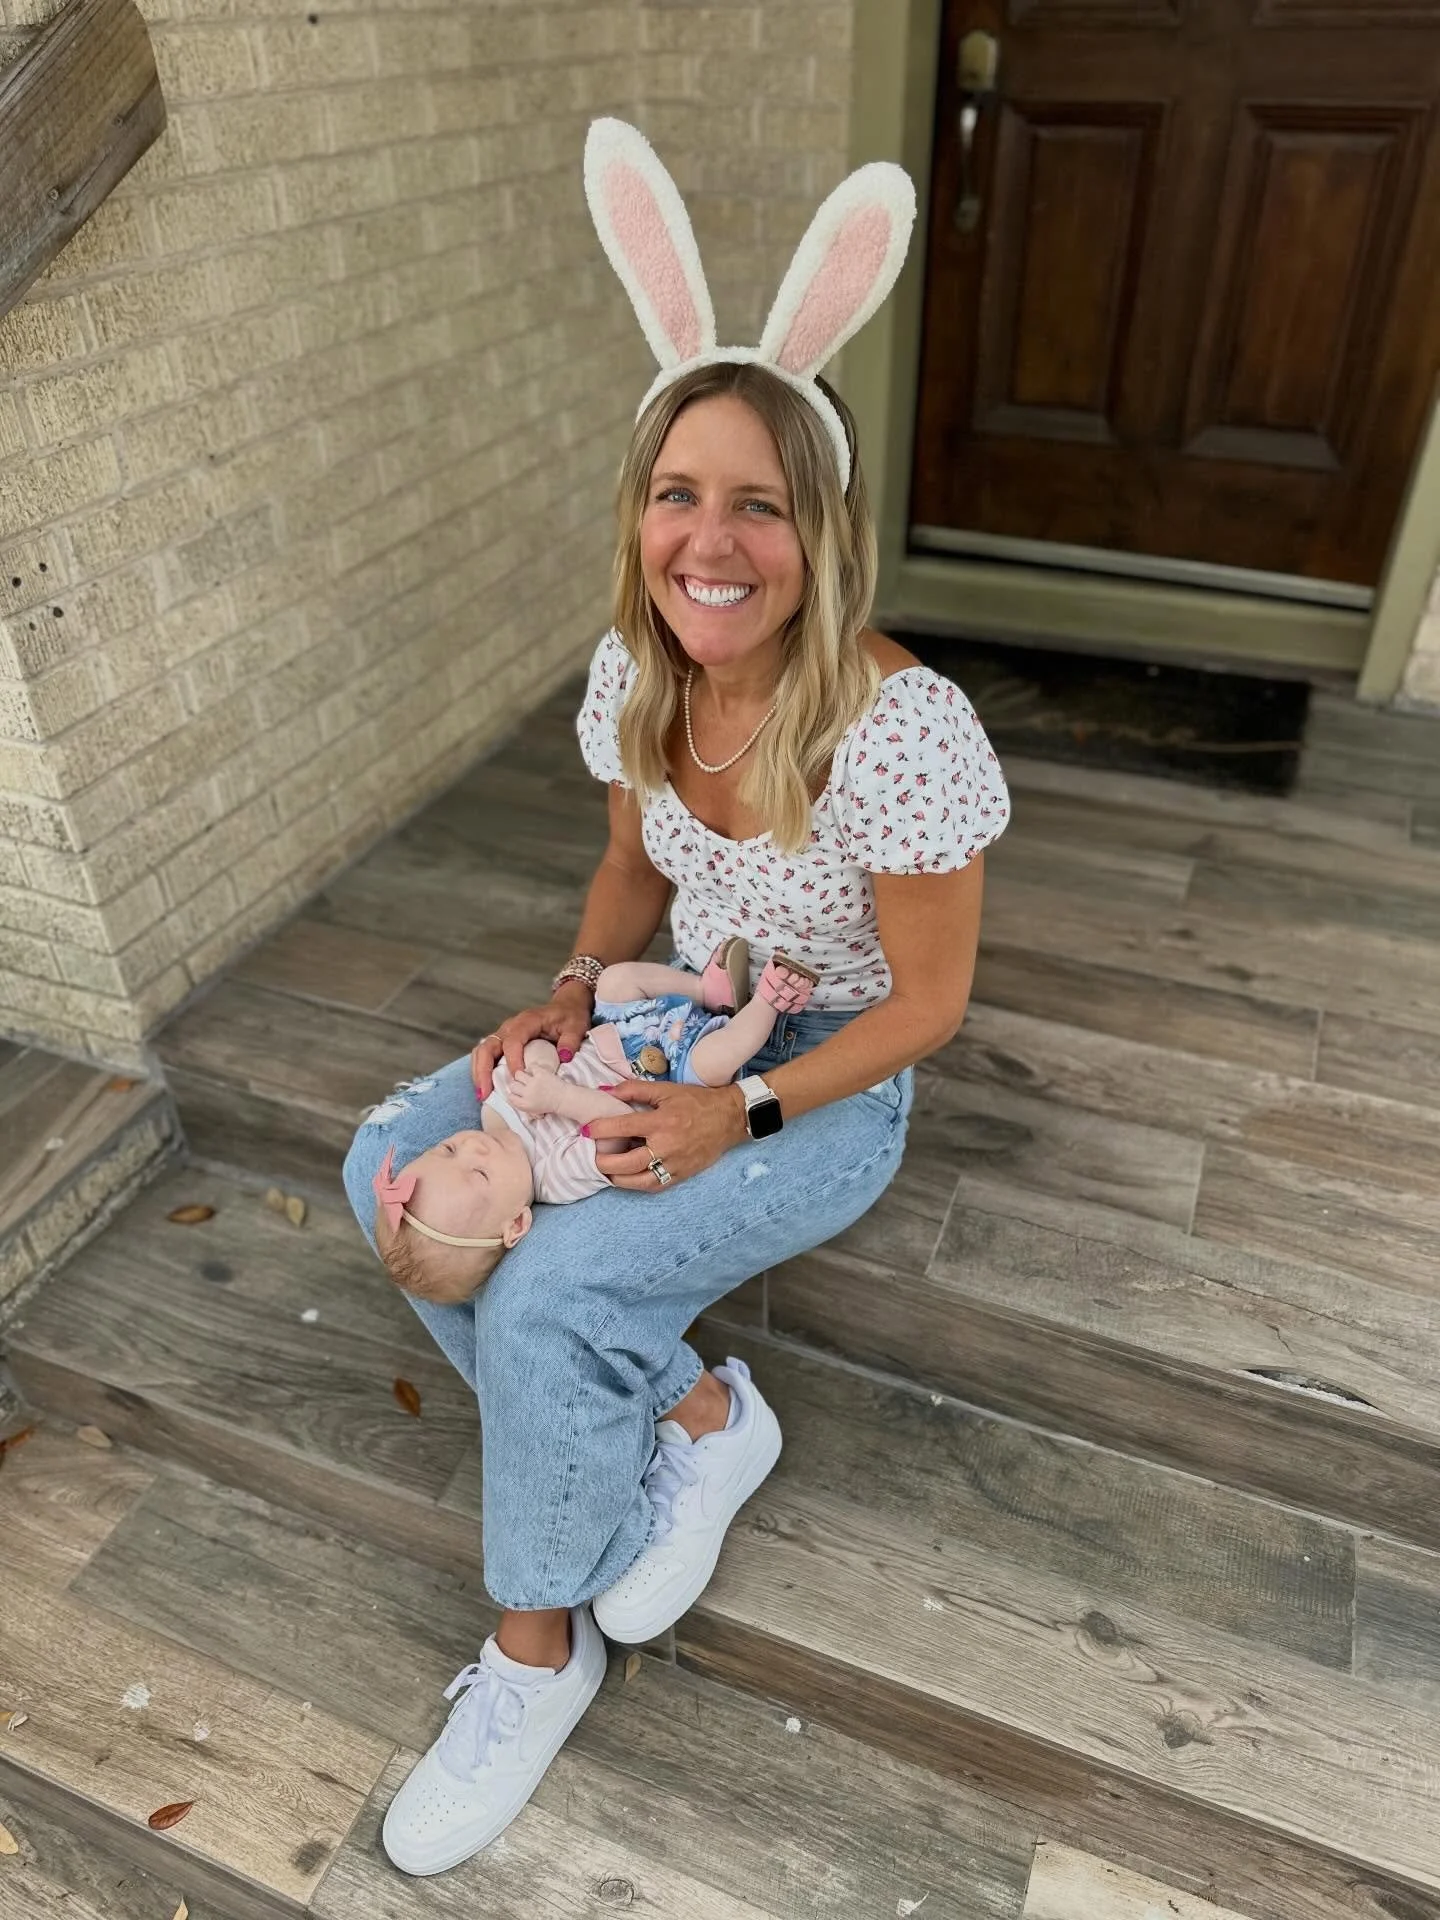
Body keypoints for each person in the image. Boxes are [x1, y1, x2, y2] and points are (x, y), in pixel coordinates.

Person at [340, 116, 1010, 1879]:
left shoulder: (903, 733)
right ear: (638, 511)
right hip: (657, 1014)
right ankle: (699, 1421)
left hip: (826, 1079)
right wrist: (565, 996)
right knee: (385, 1173)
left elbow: (928, 1006)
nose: (710, 542)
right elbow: (635, 879)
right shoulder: (639, 671)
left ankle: (531, 1649)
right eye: (675, 493)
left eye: (758, 504)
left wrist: (744, 1104)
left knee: (553, 1300)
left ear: (822, 529)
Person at [360, 942, 821, 1305]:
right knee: (718, 1060)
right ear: (517, 1223)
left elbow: (537, 1047)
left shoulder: (494, 1111)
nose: (473, 1149)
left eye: (449, 1150)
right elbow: (624, 1126)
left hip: (619, 1031)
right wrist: (560, 1096)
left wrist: (539, 1065)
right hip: (668, 1072)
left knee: (618, 978)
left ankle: (708, 993)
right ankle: (769, 1001)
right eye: (479, 1173)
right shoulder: (556, 1178)